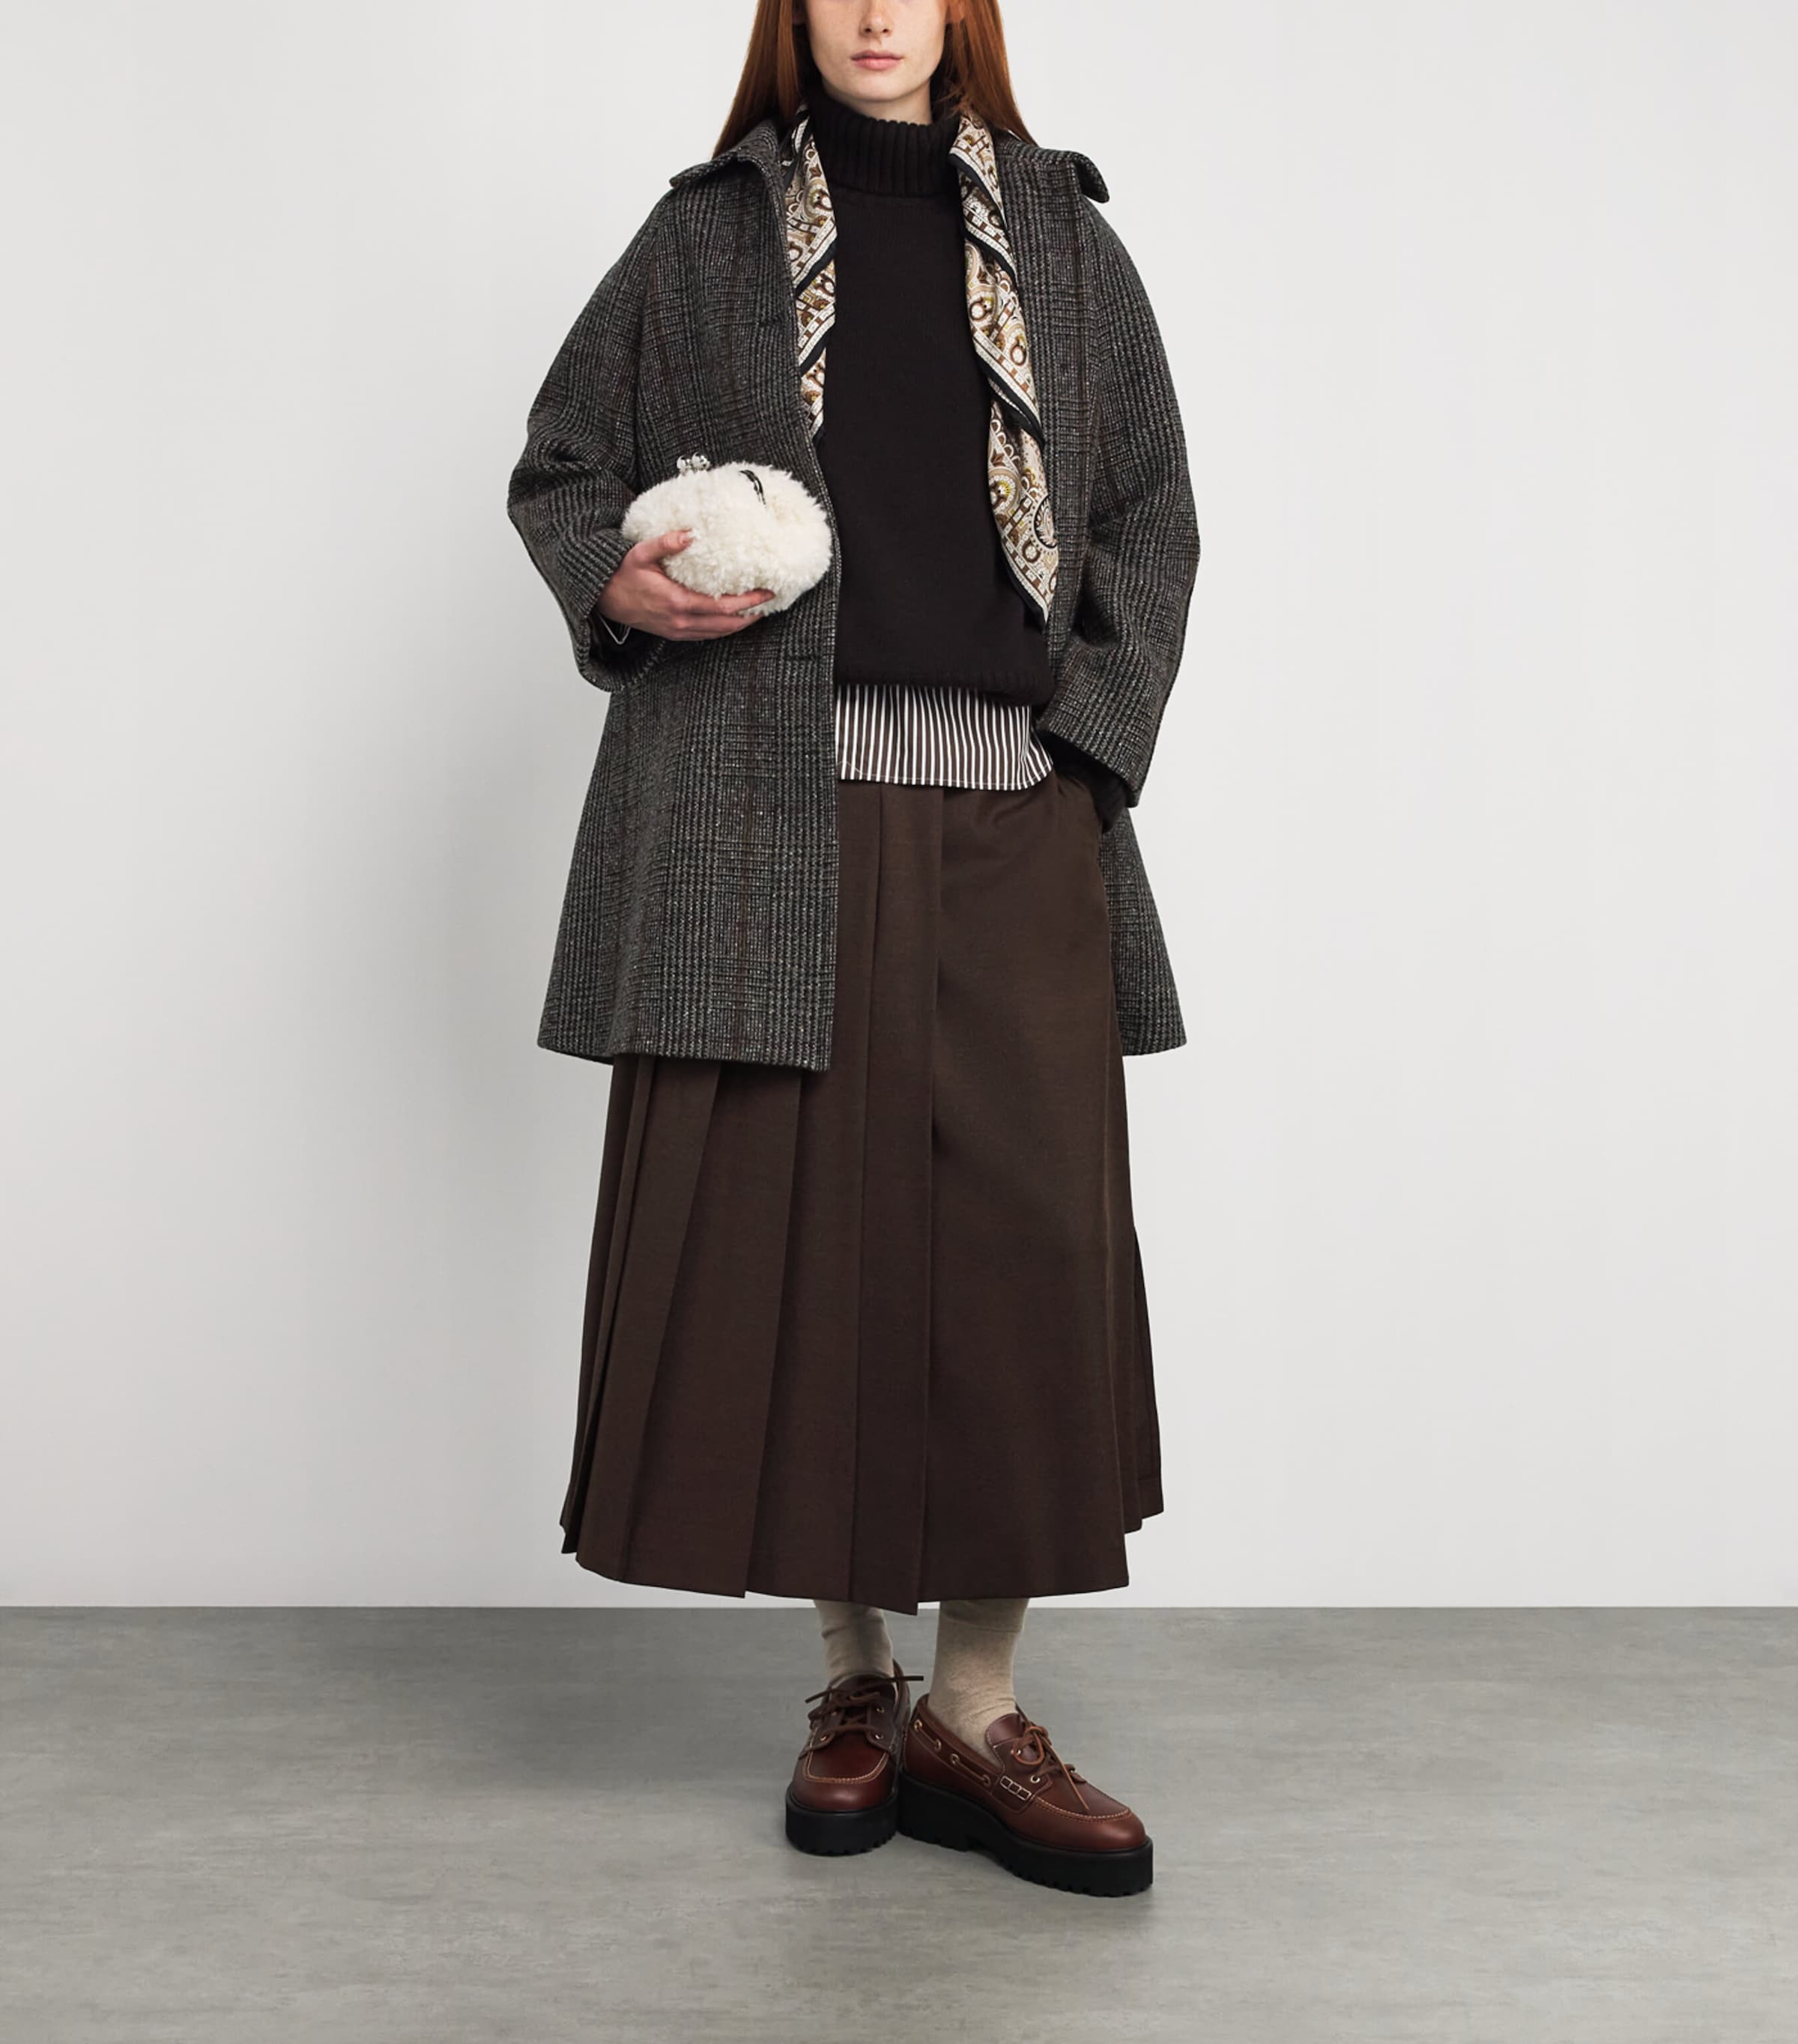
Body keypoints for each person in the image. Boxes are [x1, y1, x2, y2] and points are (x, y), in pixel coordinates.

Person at [506, 0, 1199, 1900]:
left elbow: (1149, 521)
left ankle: (977, 1711)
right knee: (798, 1253)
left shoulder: (1065, 238)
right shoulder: (701, 235)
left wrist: (1084, 755)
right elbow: (564, 468)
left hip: (1012, 810)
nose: (878, 12)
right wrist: (614, 582)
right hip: (757, 814)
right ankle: (854, 1684)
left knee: (1019, 1262)